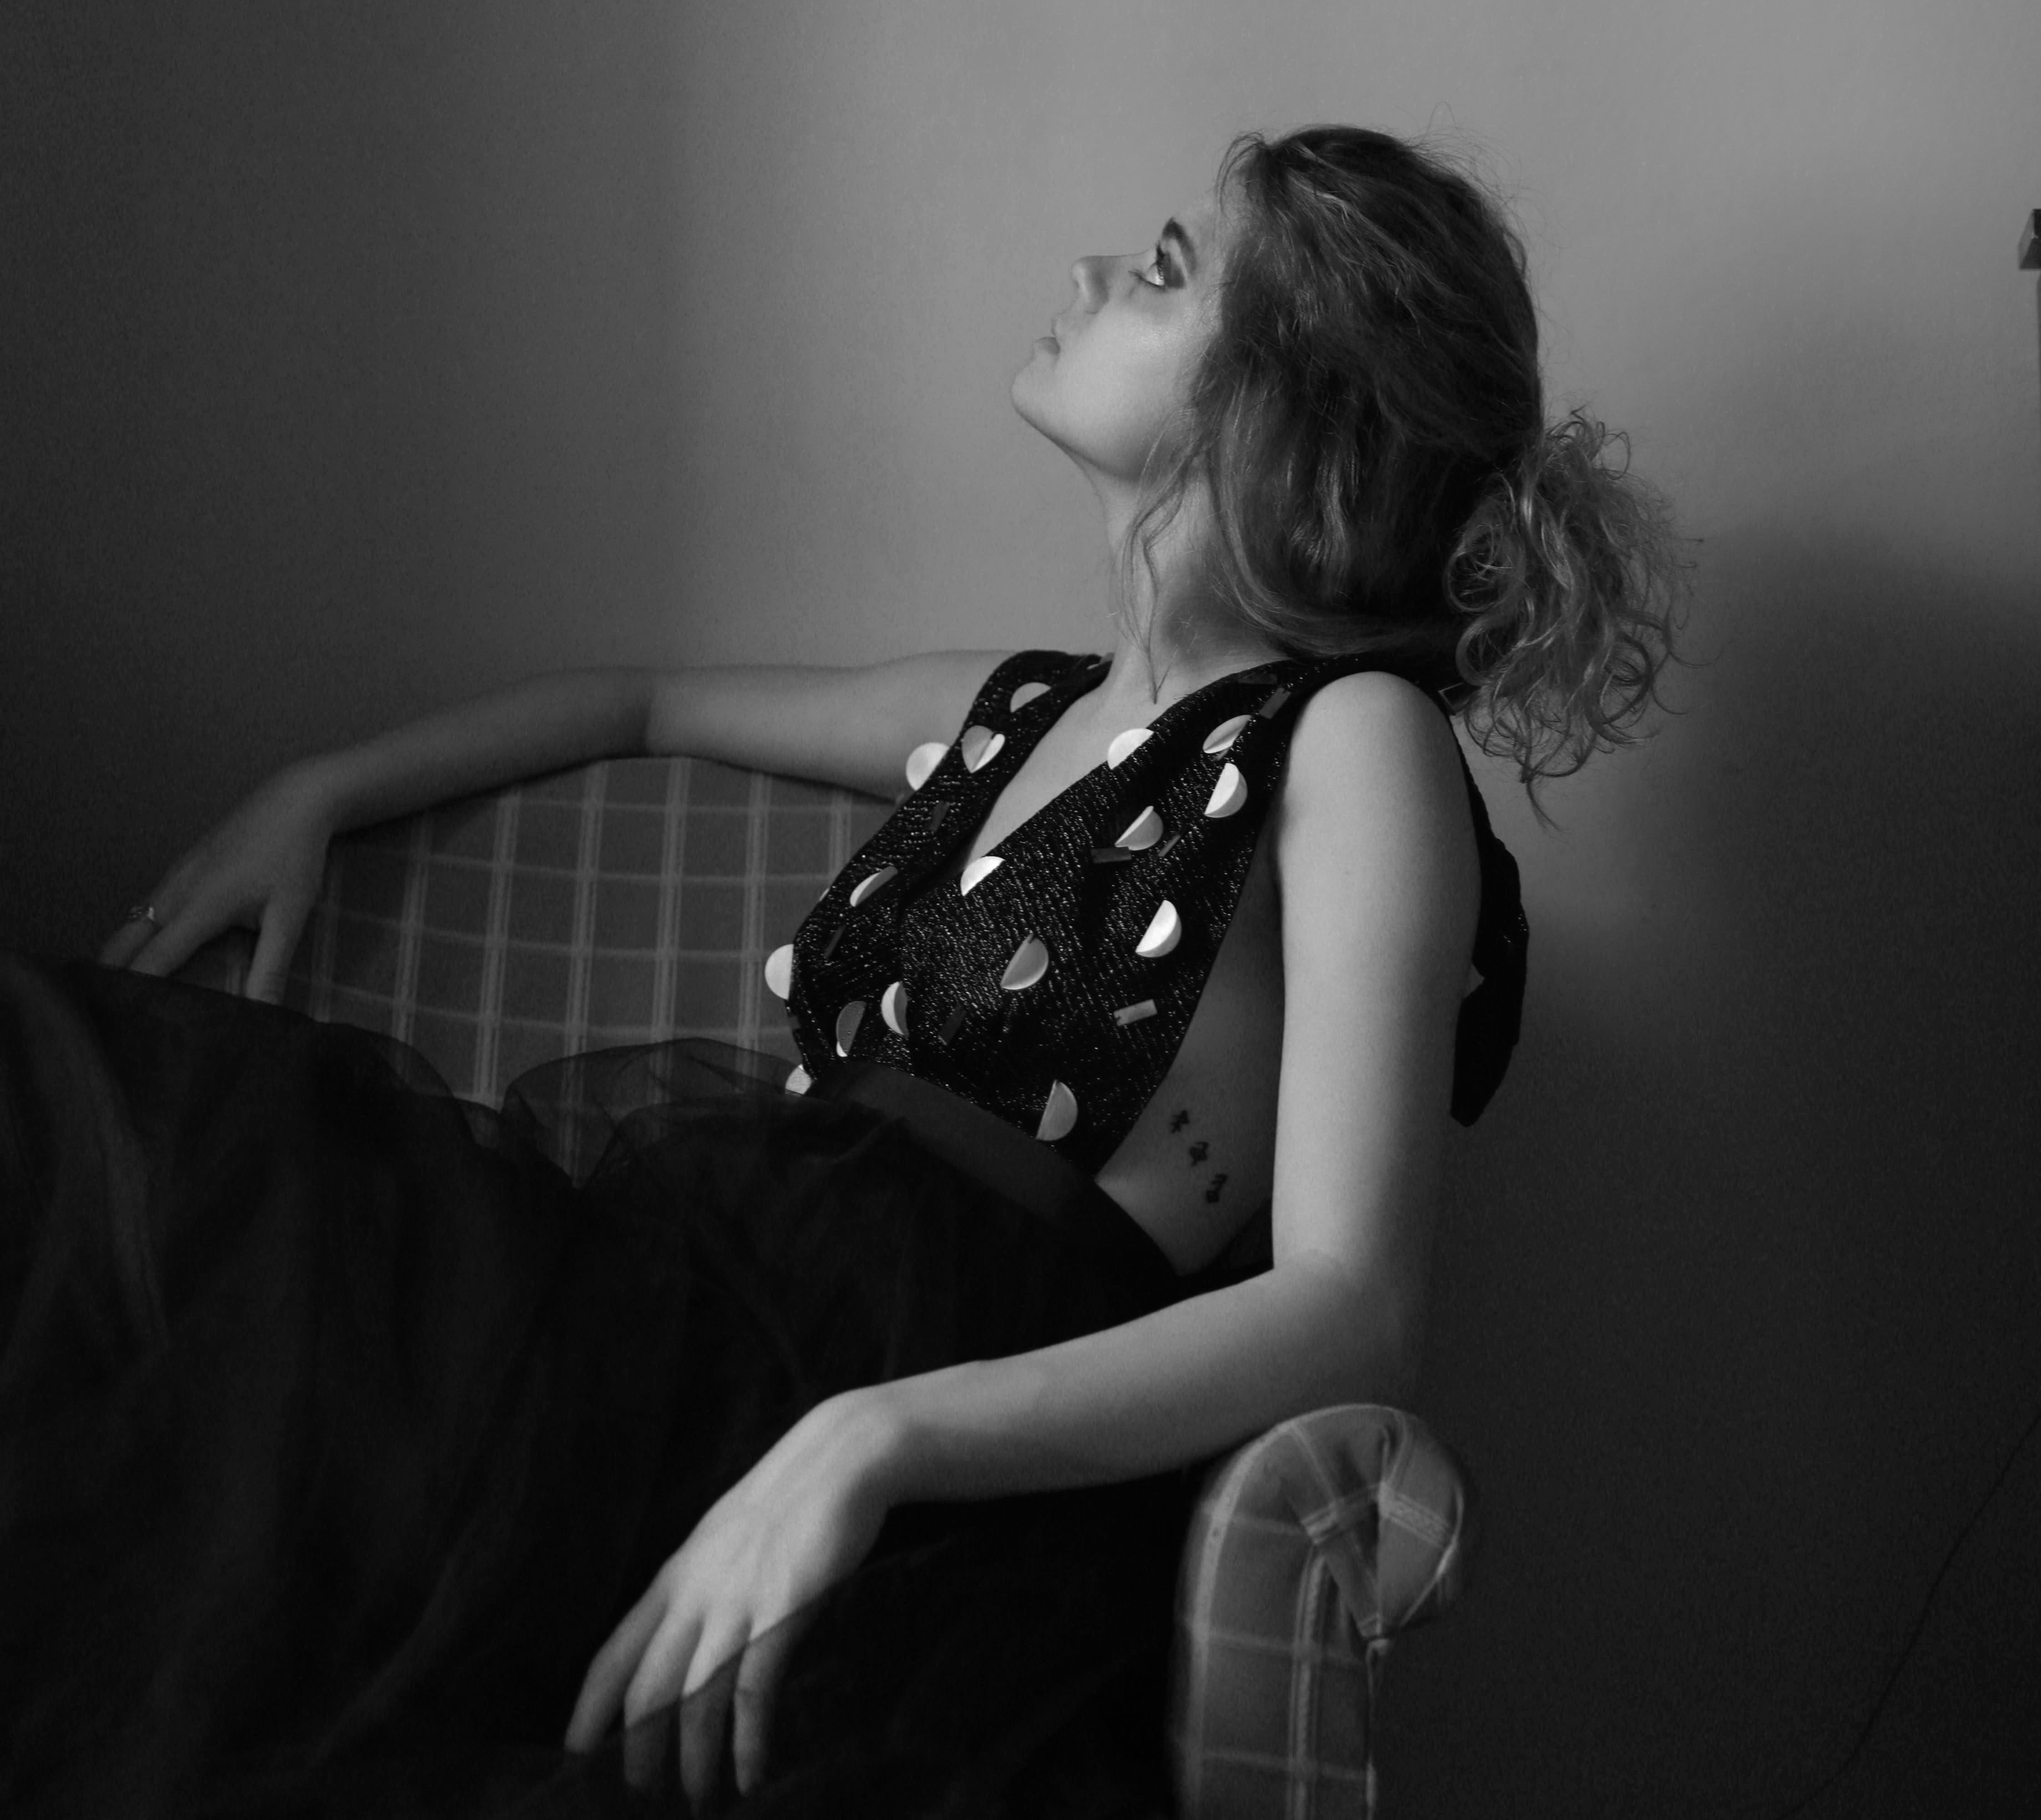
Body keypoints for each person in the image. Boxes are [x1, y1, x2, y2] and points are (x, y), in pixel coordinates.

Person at [5, 124, 1682, 1816]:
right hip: (673, 1338)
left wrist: (873, 1441)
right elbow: (643, 703)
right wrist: (322, 794)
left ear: (1288, 418)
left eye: (1166, 269)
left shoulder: (1353, 744)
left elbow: (1352, 1313)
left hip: (920, 1503)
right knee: (148, 1212)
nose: (1088, 274)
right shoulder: (1016, 709)